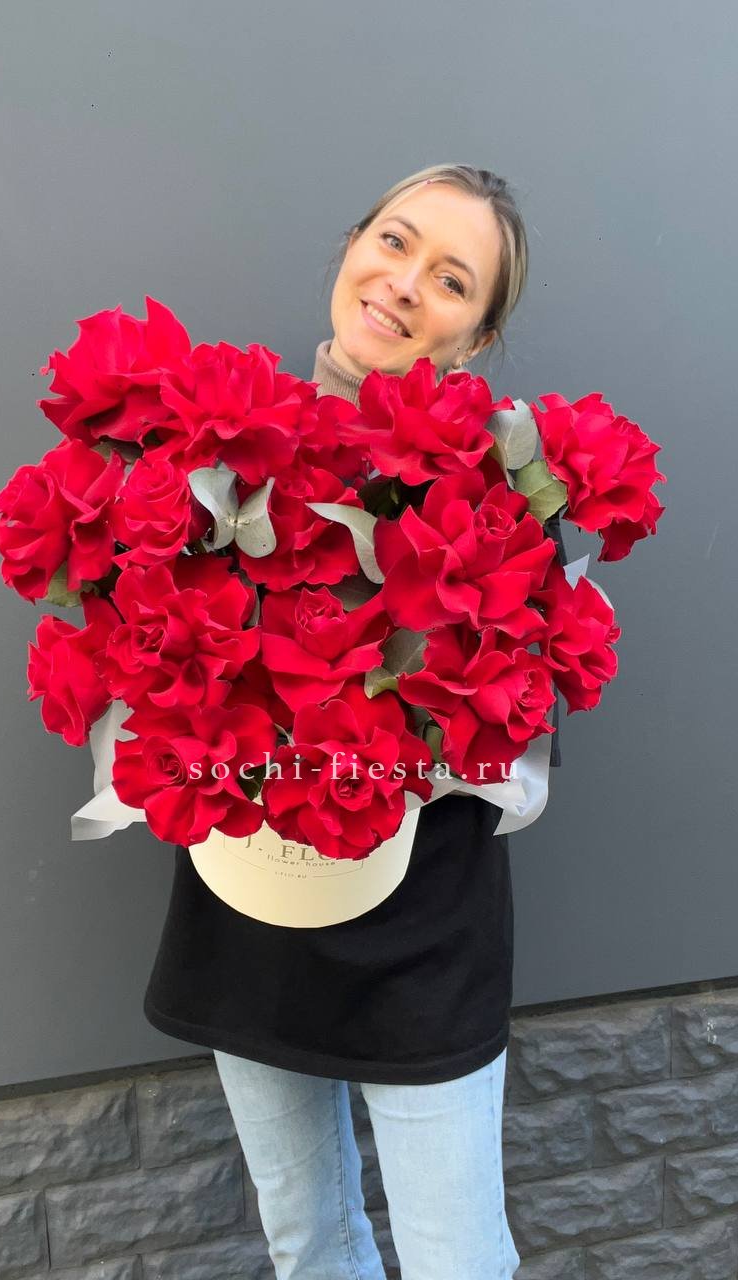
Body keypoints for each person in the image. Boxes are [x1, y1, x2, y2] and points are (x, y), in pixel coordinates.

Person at [144, 164, 564, 1279]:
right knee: (309, 1241)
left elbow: (523, 760)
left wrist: (399, 738)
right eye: (393, 240)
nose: (404, 282)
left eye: (451, 279)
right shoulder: (222, 457)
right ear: (350, 245)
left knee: (454, 1258)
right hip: (251, 901)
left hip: (419, 931)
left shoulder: (505, 493)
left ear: (475, 337)